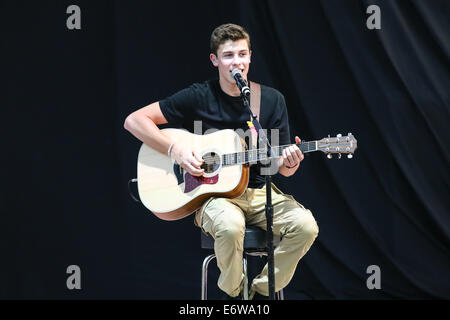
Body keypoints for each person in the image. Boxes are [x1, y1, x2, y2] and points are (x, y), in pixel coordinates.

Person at [124, 23, 319, 300]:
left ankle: (260, 290)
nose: (236, 62)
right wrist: (174, 151)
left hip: (260, 193)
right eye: (228, 56)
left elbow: (283, 169)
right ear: (215, 60)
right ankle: (235, 293)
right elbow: (134, 121)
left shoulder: (272, 101)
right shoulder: (199, 96)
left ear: (251, 56)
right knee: (229, 226)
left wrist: (291, 160)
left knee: (306, 226)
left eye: (242, 54)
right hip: (216, 198)